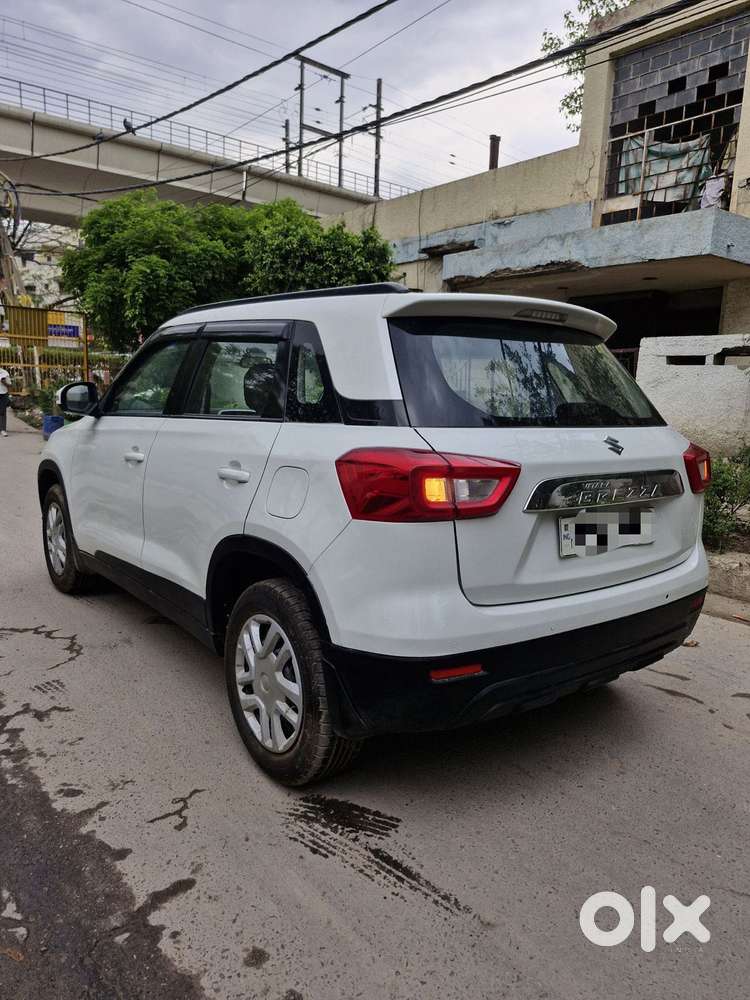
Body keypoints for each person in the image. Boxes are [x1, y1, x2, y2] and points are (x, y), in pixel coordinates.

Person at [0, 367, 12, 437]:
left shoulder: (4, 372)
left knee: (2, 412)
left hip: (3, 394)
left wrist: (4, 382)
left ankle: (3, 430)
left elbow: (9, 384)